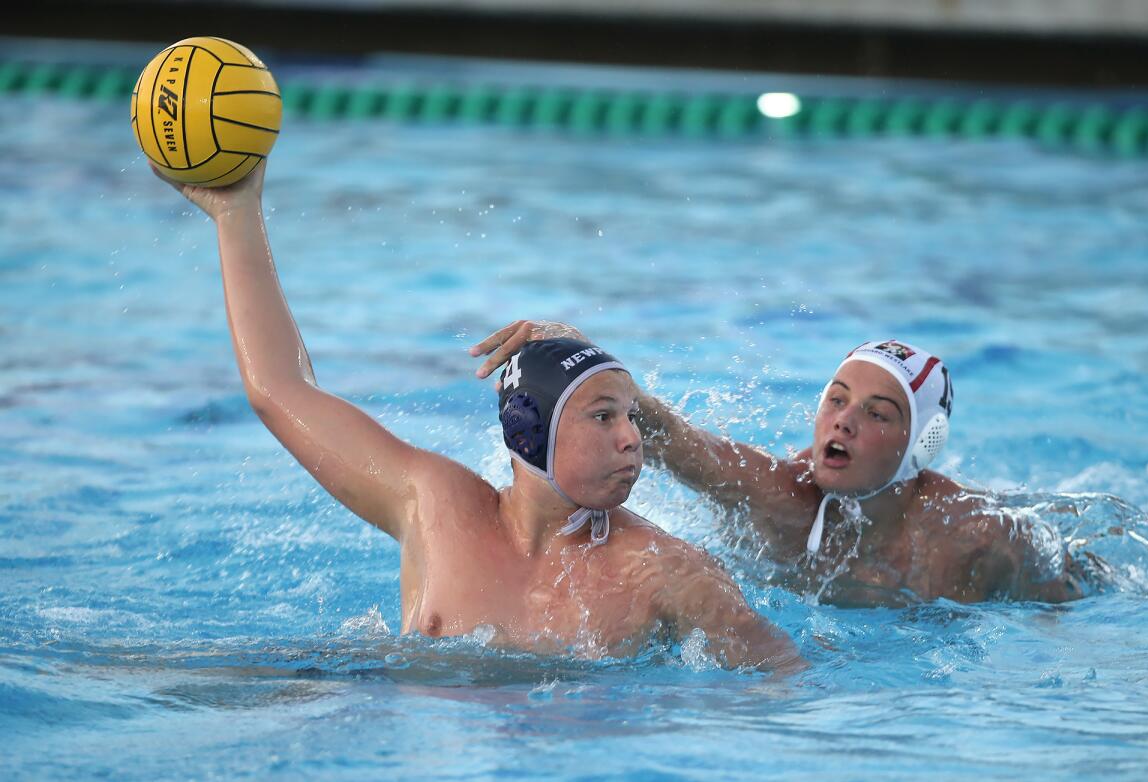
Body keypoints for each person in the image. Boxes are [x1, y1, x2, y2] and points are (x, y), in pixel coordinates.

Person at [153, 164, 802, 670]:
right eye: (603, 418)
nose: (633, 438)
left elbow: (784, 679)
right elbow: (279, 390)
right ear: (530, 427)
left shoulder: (665, 572)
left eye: (632, 417)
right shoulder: (434, 506)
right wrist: (235, 213)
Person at [472, 321, 1086, 607]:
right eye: (836, 401)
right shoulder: (783, 495)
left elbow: (1067, 600)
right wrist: (587, 361)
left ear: (921, 443)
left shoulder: (972, 537)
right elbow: (676, 440)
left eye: (877, 413)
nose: (842, 422)